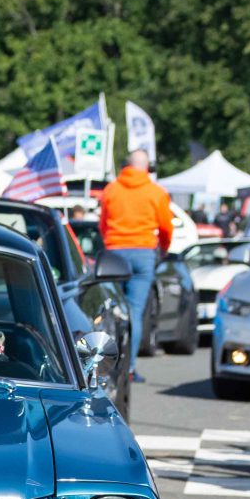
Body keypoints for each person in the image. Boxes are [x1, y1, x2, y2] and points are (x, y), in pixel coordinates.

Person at [98, 149, 173, 382]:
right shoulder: (156, 192)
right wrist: (163, 248)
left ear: (125, 166)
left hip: (115, 253)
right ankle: (128, 369)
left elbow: (102, 224)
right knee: (134, 312)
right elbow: (166, 227)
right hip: (143, 253)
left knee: (109, 309)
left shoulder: (111, 190)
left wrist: (110, 244)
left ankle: (103, 366)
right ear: (147, 167)